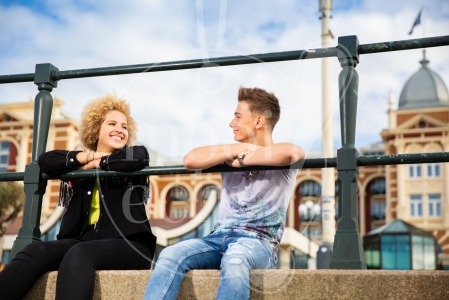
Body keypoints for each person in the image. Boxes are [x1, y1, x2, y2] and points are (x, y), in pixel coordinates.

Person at [143, 87, 305, 300]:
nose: (231, 123)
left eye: (238, 117)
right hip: (217, 238)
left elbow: (293, 153)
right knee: (170, 254)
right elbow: (190, 160)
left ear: (258, 121)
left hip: (259, 244)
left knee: (235, 258)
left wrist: (243, 160)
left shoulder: (281, 156)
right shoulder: (230, 151)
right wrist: (239, 150)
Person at [0, 94, 156, 300]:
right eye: (112, 123)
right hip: (81, 240)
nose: (120, 129)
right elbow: (46, 161)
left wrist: (92, 166)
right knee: (34, 250)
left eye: (124, 126)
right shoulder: (78, 163)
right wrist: (87, 158)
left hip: (130, 245)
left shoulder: (132, 155)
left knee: (80, 253)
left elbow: (138, 158)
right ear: (96, 130)